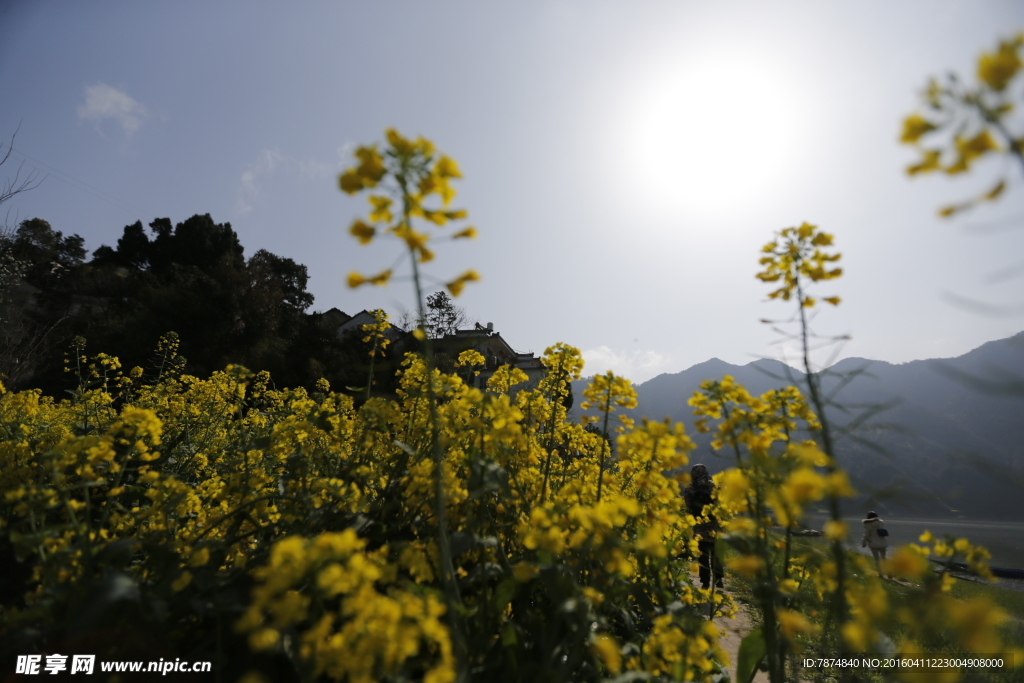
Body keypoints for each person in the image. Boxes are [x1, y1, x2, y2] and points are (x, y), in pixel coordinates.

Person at [684, 464, 723, 589]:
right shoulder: (714, 485)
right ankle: (719, 579)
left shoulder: (690, 488)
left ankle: (705, 582)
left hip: (700, 525)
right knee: (716, 553)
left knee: (703, 555)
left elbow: (689, 504)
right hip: (715, 524)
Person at [861, 511, 889, 578]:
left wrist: (863, 543)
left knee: (877, 559)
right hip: (882, 543)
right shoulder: (880, 523)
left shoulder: (868, 525)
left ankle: (880, 574)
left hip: (873, 544)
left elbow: (866, 535)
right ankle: (888, 572)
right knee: (884, 558)